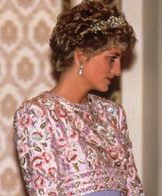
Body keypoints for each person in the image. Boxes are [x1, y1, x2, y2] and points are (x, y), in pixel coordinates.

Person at [13, 0, 144, 195]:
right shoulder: (37, 114)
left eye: (120, 60)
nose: (117, 71)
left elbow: (134, 190)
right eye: (111, 58)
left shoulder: (112, 114)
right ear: (82, 55)